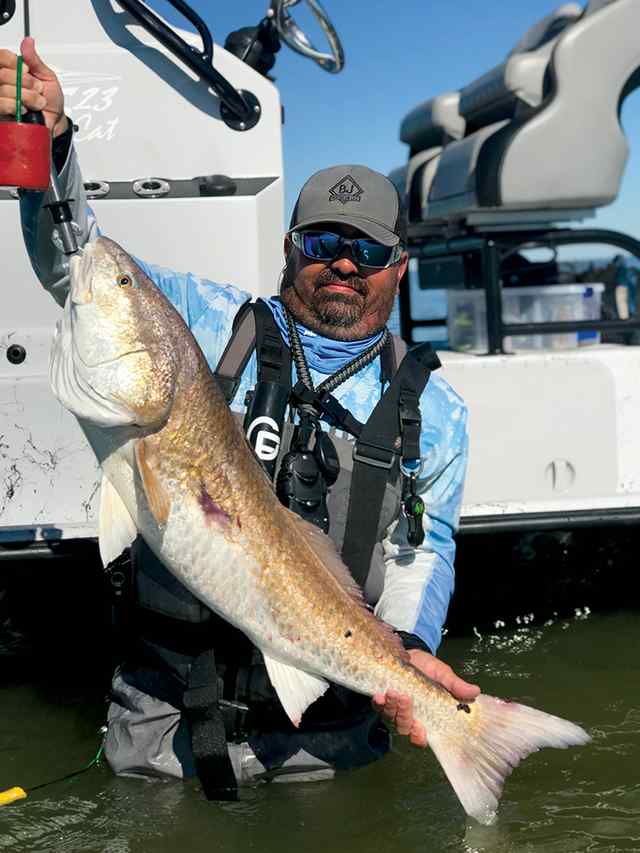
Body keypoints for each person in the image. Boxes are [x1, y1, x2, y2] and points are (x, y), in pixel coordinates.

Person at [1, 39, 479, 793]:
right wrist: (54, 143)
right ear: (290, 249)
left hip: (329, 728)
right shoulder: (206, 320)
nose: (343, 262)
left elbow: (422, 549)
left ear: (398, 267)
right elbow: (76, 260)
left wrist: (411, 653)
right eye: (324, 241)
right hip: (164, 720)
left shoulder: (438, 412)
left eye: (367, 250)